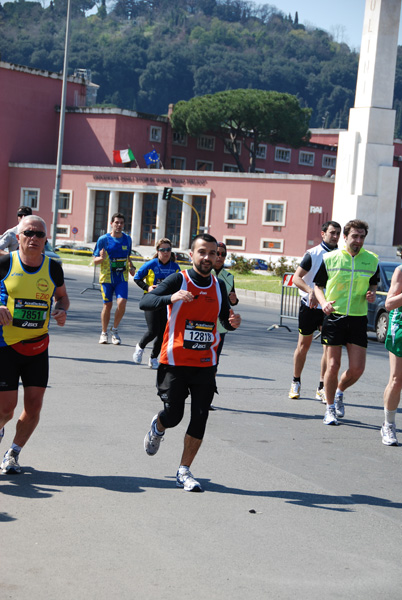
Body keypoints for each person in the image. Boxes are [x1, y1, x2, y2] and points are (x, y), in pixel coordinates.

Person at [141, 234, 241, 492]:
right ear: (191, 254)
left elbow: (221, 318)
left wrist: (232, 322)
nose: (208, 258)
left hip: (205, 363)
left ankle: (183, 470)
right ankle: (159, 425)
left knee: (200, 416)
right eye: (202, 252)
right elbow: (146, 301)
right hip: (174, 360)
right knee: (174, 416)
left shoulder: (219, 286)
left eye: (213, 253)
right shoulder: (179, 279)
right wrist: (170, 298)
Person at [0, 215, 69, 473]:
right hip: (5, 344)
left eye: (40, 234)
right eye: (29, 232)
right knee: (6, 409)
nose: (34, 238)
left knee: (34, 406)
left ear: (46, 240)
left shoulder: (53, 268)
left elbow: (62, 298)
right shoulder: (6, 262)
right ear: (18, 237)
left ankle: (13, 453)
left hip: (38, 347)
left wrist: (61, 310)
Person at [314, 219, 379, 426]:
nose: (358, 241)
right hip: (334, 316)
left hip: (359, 318)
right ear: (345, 237)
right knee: (333, 365)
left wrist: (372, 295)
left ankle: (340, 391)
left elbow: (373, 284)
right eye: (354, 236)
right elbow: (318, 286)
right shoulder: (330, 258)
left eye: (361, 237)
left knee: (358, 369)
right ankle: (330, 408)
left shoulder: (372, 260)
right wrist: (323, 303)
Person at [288, 221, 341, 401]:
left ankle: (322, 386)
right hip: (309, 306)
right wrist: (310, 291)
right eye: (332, 233)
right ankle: (296, 381)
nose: (335, 236)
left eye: (338, 233)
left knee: (328, 348)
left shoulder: (341, 255)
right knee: (304, 346)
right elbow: (296, 278)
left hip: (329, 308)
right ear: (323, 233)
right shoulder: (313, 254)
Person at [133, 238, 180, 369]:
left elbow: (181, 283)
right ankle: (140, 347)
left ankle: (154, 357)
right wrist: (147, 287)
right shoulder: (151, 264)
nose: (166, 252)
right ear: (157, 251)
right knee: (153, 330)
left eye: (168, 250)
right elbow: (137, 277)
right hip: (151, 301)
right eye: (163, 250)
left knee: (163, 332)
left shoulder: (175, 267)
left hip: (166, 303)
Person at [93, 213, 136, 345]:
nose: (119, 225)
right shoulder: (103, 240)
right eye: (116, 222)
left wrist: (132, 266)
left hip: (121, 277)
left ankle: (115, 330)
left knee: (122, 302)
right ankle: (104, 332)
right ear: (111, 224)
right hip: (106, 277)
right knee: (108, 305)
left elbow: (128, 256)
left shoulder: (127, 239)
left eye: (121, 223)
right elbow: (95, 261)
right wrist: (102, 258)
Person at [381, 264, 402, 445]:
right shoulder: (400, 271)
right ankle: (388, 424)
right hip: (401, 326)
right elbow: (389, 304)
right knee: (396, 379)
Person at [212, 242, 239, 361]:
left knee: (214, 362)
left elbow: (231, 299)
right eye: (217, 253)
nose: (220, 257)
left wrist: (234, 301)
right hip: (203, 325)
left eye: (223, 254)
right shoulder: (204, 274)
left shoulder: (229, 277)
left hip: (221, 327)